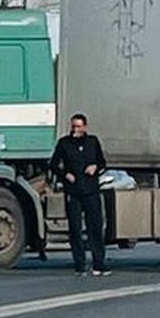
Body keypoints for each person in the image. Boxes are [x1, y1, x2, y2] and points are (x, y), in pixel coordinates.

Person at [49, 113, 111, 277]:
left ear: (85, 127)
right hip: (74, 191)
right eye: (73, 126)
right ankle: (80, 264)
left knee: (95, 228)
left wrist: (95, 167)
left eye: (78, 126)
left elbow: (102, 162)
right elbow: (53, 164)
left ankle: (99, 263)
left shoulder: (92, 141)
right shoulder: (64, 143)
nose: (75, 129)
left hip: (91, 190)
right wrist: (65, 175)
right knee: (75, 229)